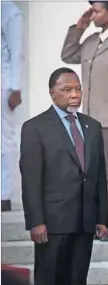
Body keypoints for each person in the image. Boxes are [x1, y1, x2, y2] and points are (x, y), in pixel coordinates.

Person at [20, 67, 108, 285]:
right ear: (52, 93)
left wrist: (101, 218)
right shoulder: (35, 128)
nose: (75, 95)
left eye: (78, 89)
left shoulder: (93, 127)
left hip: (85, 222)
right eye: (67, 89)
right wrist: (36, 221)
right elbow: (31, 180)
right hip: (52, 224)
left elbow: (99, 174)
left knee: (78, 280)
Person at [61, 0, 108, 241]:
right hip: (91, 120)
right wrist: (79, 27)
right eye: (92, 9)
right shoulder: (92, 42)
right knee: (99, 175)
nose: (93, 14)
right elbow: (68, 55)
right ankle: (104, 225)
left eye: (98, 10)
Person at [1, 0, 24, 212]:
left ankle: (4, 194)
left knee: (4, 138)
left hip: (4, 82)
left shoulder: (9, 11)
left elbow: (16, 51)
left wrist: (16, 87)